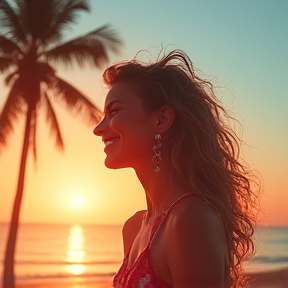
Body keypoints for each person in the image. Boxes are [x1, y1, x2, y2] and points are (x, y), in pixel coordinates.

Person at [93, 49, 260, 288]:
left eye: (114, 111)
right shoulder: (133, 227)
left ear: (161, 120)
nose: (98, 128)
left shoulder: (191, 220)